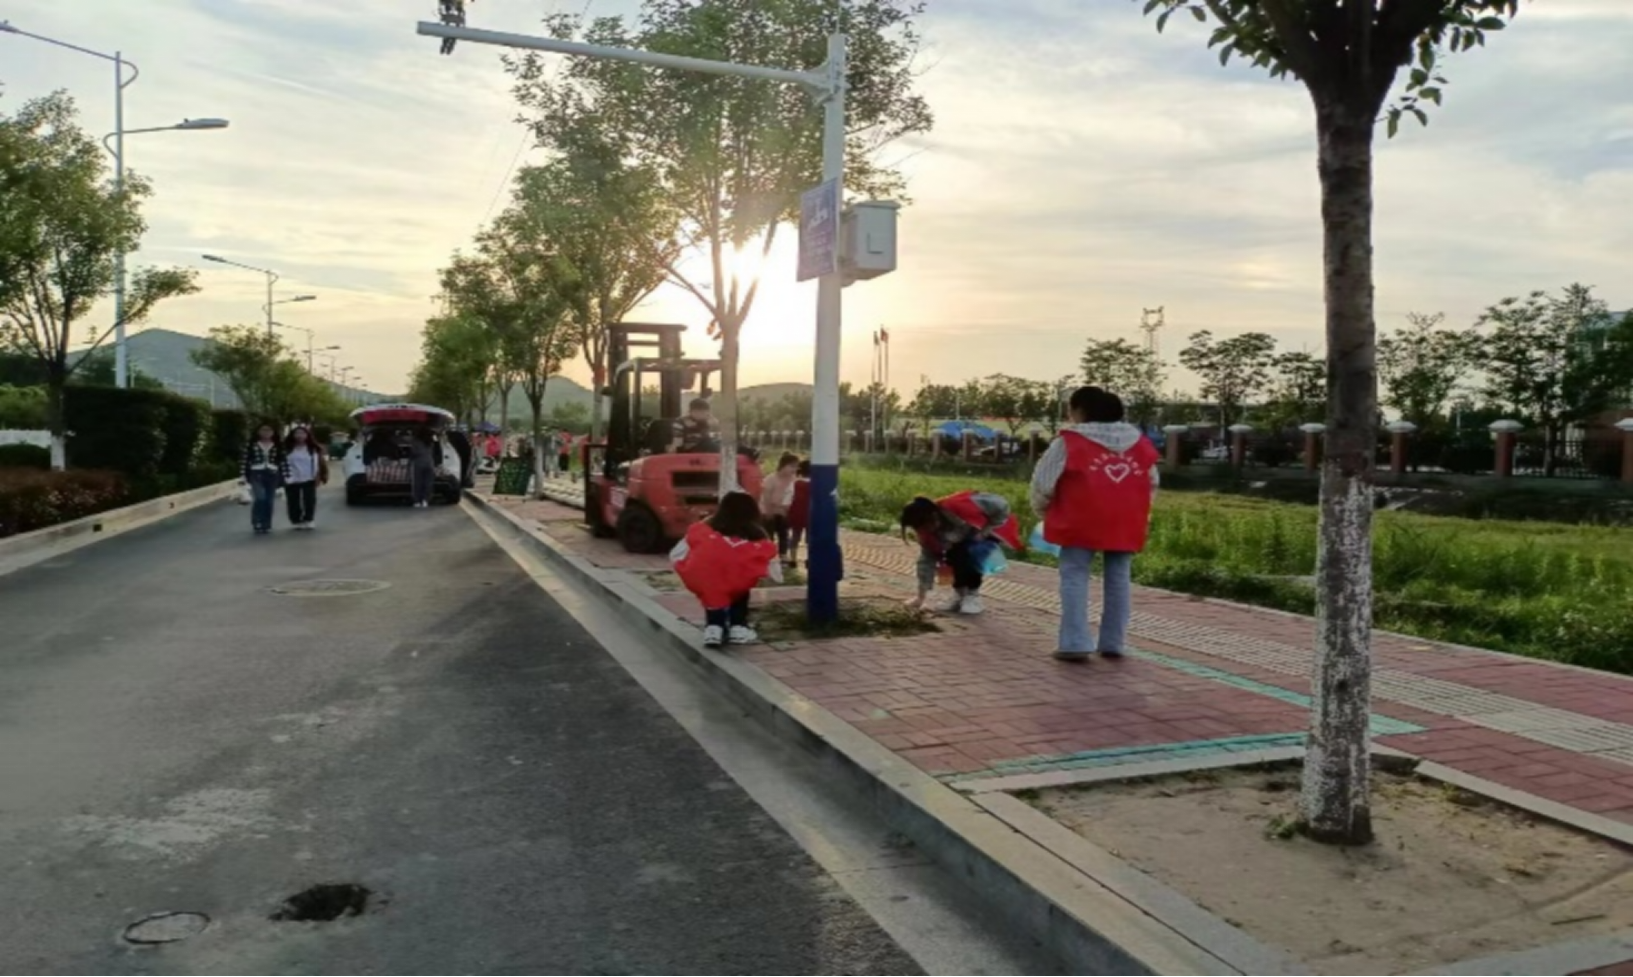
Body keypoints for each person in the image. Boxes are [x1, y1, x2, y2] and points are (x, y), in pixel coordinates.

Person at [1031, 387, 1162, 662]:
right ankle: (1114, 642)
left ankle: (1075, 642)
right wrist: (1139, 513)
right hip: (1126, 519)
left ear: (1081, 410)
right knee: (1119, 577)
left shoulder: (1069, 441)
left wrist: (1044, 511)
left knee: (1075, 575)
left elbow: (1043, 482)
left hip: (1080, 517)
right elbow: (1152, 482)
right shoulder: (1139, 443)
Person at [672, 491, 780, 648]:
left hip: (707, 578)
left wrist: (682, 565)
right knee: (740, 590)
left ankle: (714, 628)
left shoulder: (704, 530)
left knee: (713, 593)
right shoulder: (756, 534)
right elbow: (770, 557)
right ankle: (738, 627)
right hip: (738, 579)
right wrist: (775, 576)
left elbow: (678, 552)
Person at [901, 491, 1022, 615]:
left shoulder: (956, 506)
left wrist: (986, 530)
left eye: (926, 526)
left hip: (985, 528)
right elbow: (925, 563)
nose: (925, 530)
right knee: (951, 556)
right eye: (919, 528)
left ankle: (973, 596)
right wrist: (921, 596)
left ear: (934, 515)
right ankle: (959, 594)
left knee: (968, 552)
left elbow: (1001, 505)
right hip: (959, 538)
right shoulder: (927, 533)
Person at [242, 423, 290, 536]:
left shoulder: (277, 445)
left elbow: (283, 461)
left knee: (269, 500)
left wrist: (286, 476)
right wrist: (242, 476)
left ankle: (266, 523)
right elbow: (244, 461)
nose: (266, 433)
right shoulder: (251, 445)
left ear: (273, 432)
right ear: (258, 431)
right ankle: (257, 521)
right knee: (260, 498)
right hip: (256, 473)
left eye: (269, 430)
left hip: (272, 474)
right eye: (263, 430)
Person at [283, 426, 329, 531]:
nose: (300, 436)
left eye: (302, 433)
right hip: (291, 478)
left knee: (309, 500)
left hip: (309, 477)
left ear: (307, 435)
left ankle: (309, 519)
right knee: (293, 500)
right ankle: (296, 520)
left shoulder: (313, 449)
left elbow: (321, 463)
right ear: (292, 435)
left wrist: (322, 475)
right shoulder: (287, 448)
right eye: (297, 433)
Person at [760, 452, 800, 566]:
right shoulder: (771, 479)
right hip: (768, 511)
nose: (794, 469)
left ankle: (783, 555)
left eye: (796, 467)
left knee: (784, 534)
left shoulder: (792, 480)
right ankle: (768, 556)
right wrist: (769, 511)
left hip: (783, 512)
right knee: (768, 534)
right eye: (792, 466)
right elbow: (766, 497)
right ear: (783, 465)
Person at [787, 459, 812, 568]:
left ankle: (793, 559)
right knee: (810, 538)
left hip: (796, 513)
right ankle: (810, 558)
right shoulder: (815, 484)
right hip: (810, 514)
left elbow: (790, 498)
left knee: (795, 536)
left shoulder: (795, 483)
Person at [409, 429, 440, 509]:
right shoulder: (430, 442)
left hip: (418, 463)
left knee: (417, 483)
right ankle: (425, 500)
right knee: (428, 483)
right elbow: (436, 451)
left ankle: (417, 501)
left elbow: (413, 452)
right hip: (430, 463)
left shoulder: (416, 442)